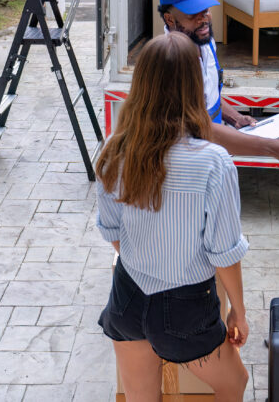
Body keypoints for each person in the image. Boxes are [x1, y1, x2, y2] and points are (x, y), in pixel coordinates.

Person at [96, 33, 250, 402]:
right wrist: (239, 314)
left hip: (128, 294)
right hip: (186, 306)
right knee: (234, 384)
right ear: (194, 86)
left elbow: (113, 233)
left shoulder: (115, 150)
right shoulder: (214, 162)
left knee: (140, 397)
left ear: (142, 83)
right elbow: (224, 254)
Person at [157, 0, 279, 173]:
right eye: (193, 14)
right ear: (169, 19)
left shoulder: (205, 42)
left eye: (206, 10)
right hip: (185, 163)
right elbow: (196, 125)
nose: (203, 20)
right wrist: (274, 148)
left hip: (209, 150)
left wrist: (235, 117)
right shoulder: (170, 61)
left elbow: (208, 97)